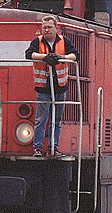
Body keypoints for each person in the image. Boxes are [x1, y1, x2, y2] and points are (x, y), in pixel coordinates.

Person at [25, 15, 78, 157]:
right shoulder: (37, 41)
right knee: (41, 119)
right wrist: (45, 57)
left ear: (56, 27)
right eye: (44, 27)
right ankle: (38, 148)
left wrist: (61, 58)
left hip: (60, 86)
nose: (46, 30)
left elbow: (75, 55)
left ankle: (53, 148)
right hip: (43, 87)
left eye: (49, 27)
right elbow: (29, 54)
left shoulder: (64, 41)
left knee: (56, 120)